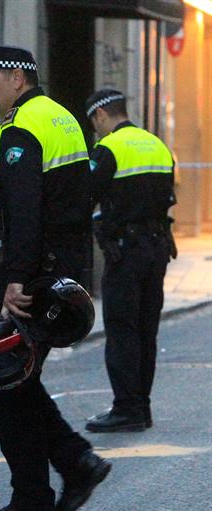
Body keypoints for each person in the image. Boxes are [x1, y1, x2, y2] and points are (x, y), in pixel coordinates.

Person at [0, 45, 111, 511]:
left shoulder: (22, 128)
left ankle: (46, 486)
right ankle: (63, 471)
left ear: (15, 78)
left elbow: (25, 211)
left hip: (30, 280)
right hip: (57, 273)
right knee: (17, 379)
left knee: (6, 377)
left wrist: (14, 279)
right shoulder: (61, 118)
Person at [83, 89, 176, 433]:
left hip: (125, 252)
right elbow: (167, 198)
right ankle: (141, 407)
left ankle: (126, 408)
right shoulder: (158, 146)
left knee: (122, 328)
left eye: (94, 124)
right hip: (157, 249)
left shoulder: (109, 149)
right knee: (146, 330)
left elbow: (85, 196)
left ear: (100, 115)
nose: (96, 131)